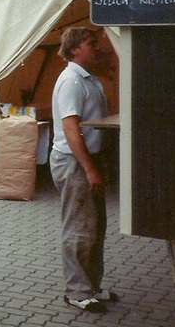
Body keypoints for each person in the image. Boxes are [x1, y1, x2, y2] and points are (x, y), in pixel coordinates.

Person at [50, 27, 117, 313]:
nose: (97, 48)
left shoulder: (90, 80)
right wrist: (89, 168)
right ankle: (76, 291)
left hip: (90, 160)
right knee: (78, 227)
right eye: (92, 43)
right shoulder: (71, 81)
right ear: (75, 48)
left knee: (94, 226)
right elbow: (70, 128)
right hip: (73, 162)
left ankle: (91, 286)